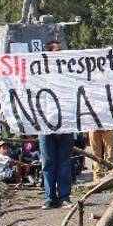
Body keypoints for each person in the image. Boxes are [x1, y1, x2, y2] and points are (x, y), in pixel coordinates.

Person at [37, 41, 75, 209]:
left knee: (65, 162)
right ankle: (49, 197)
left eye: (61, 51)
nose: (60, 54)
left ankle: (64, 196)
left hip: (65, 123)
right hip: (45, 126)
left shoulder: (70, 75)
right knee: (48, 162)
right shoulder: (38, 76)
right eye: (56, 51)